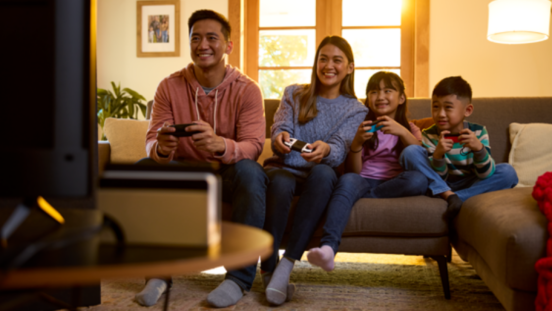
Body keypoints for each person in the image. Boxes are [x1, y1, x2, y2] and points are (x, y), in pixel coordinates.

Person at [134, 9, 267, 308]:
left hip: (227, 173)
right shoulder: (169, 86)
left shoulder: (247, 90)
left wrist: (220, 145)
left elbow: (253, 146)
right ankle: (157, 275)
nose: (202, 45)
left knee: (251, 172)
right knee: (145, 168)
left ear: (228, 45)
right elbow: (152, 140)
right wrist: (163, 148)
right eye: (196, 38)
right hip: (185, 174)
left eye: (211, 38)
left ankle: (238, 278)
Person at [260, 36, 368, 306]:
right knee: (282, 183)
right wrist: (279, 138)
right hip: (284, 168)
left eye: (337, 60)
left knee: (324, 174)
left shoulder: (357, 109)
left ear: (350, 68)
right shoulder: (293, 93)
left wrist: (327, 150)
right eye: (323, 58)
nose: (328, 65)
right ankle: (268, 268)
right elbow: (279, 128)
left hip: (318, 177)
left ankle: (285, 267)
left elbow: (342, 146)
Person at [306, 71, 429, 272]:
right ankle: (328, 248)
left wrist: (402, 131)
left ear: (401, 98)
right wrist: (356, 143)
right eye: (374, 92)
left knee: (419, 180)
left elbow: (421, 159)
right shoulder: (362, 127)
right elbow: (354, 172)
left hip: (395, 182)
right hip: (364, 179)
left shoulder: (411, 129)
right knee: (347, 181)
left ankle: (366, 197)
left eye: (387, 91)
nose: (380, 96)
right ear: (368, 98)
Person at [400, 76, 518, 225]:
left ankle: (455, 198)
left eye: (448, 107)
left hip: (471, 182)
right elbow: (439, 177)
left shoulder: (478, 132)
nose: (441, 114)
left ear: (467, 110)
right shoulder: (429, 134)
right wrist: (438, 155)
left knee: (508, 172)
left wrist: (479, 150)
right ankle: (449, 196)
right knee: (410, 152)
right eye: (435, 107)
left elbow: (485, 174)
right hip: (441, 183)